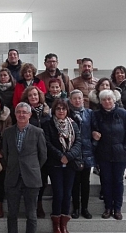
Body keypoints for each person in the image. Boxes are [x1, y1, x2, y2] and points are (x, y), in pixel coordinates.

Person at [2, 102, 47, 233]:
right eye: (19, 112)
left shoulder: (38, 132)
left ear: (30, 114)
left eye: (24, 112)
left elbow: (43, 155)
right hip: (12, 177)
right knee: (12, 214)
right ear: (15, 114)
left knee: (31, 214)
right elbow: (5, 154)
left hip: (31, 178)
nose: (21, 114)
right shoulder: (8, 132)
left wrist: (32, 167)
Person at [92, 89, 126, 220]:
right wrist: (94, 134)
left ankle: (117, 208)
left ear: (114, 100)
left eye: (109, 99)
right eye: (104, 99)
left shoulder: (123, 113)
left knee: (117, 181)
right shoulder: (97, 114)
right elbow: (93, 129)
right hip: (103, 154)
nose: (107, 102)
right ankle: (107, 207)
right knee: (105, 181)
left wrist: (125, 148)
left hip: (120, 154)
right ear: (100, 102)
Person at [42, 99, 82, 233]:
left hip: (70, 164)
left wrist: (68, 156)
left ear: (67, 111)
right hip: (55, 164)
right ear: (54, 110)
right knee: (58, 193)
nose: (61, 111)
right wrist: (61, 156)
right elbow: (47, 143)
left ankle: (64, 223)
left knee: (67, 193)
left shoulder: (73, 124)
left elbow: (78, 143)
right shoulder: (47, 124)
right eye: (58, 109)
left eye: (63, 109)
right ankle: (56, 222)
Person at [68, 89, 94, 220]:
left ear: (83, 100)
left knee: (85, 182)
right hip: (73, 153)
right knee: (75, 182)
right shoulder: (68, 114)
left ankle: (85, 208)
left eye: (79, 98)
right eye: (74, 99)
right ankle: (76, 208)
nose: (77, 101)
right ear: (70, 100)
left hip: (87, 152)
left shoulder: (89, 113)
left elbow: (95, 129)